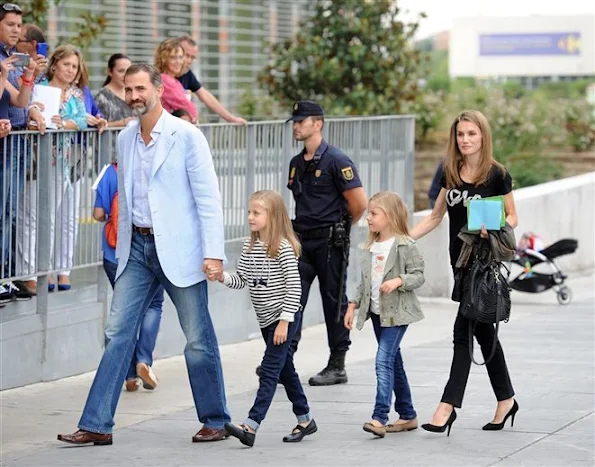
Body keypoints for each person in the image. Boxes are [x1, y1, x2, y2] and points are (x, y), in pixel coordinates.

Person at [57, 63, 230, 446]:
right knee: (117, 334)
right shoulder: (125, 138)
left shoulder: (186, 136)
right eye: (128, 89)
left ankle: (216, 418)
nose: (134, 96)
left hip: (180, 249)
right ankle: (97, 424)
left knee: (197, 336)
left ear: (156, 89)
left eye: (140, 89)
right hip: (135, 248)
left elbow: (208, 199)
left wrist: (213, 253)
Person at [410, 110, 519, 436]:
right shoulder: (451, 171)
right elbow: (435, 217)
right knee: (485, 335)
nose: (466, 139)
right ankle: (507, 399)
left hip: (483, 265)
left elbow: (512, 216)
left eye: (472, 133)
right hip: (459, 262)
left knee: (462, 334)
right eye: (461, 134)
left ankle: (447, 406)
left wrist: (495, 227)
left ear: (483, 136)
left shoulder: (497, 174)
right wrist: (402, 238)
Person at [212, 190, 317, 447]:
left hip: (284, 318)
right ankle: (305, 419)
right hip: (266, 320)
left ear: (273, 216)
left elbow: (295, 289)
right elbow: (242, 280)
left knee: (269, 371)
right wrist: (221, 276)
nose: (250, 217)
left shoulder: (283, 248)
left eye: (256, 213)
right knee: (286, 370)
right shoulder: (251, 248)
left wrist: (284, 322)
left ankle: (251, 425)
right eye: (249, 212)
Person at [281, 100, 367, 386]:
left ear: (317, 124)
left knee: (334, 303)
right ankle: (284, 361)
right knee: (293, 300)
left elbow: (359, 204)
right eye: (294, 121)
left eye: (301, 121)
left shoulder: (337, 161)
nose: (296, 126)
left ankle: (337, 364)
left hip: (330, 243)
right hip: (301, 243)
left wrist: (339, 229)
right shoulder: (296, 164)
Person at [344, 191, 424, 438]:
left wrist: (399, 280)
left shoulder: (405, 245)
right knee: (393, 362)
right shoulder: (370, 247)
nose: (368, 218)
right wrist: (352, 305)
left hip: (398, 313)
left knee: (382, 360)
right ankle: (408, 414)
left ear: (389, 216)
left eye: (374, 213)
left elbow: (419, 275)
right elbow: (364, 281)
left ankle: (379, 417)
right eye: (368, 213)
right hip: (378, 313)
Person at [92, 161, 165, 392]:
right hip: (151, 251)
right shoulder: (151, 169)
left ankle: (130, 375)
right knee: (153, 304)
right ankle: (144, 359)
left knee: (126, 311)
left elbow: (98, 214)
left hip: (114, 255)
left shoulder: (110, 172)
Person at [25, 45, 88, 292]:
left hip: (65, 163)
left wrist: (67, 124)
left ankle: (62, 271)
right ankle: (42, 271)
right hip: (37, 158)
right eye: (67, 65)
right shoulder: (40, 88)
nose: (71, 70)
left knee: (64, 218)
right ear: (55, 65)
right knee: (40, 217)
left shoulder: (75, 95)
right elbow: (29, 112)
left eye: (74, 66)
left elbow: (82, 120)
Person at [177, 35, 246, 124]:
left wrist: (231, 119)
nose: (189, 61)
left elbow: (206, 96)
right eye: (187, 55)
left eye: (193, 58)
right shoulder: (162, 76)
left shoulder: (187, 74)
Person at [154, 38, 197, 123]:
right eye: (173, 57)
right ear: (164, 59)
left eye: (180, 57)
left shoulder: (175, 81)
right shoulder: (163, 80)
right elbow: (183, 104)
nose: (178, 62)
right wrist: (194, 117)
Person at [94, 53, 135, 128]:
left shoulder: (134, 94)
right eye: (121, 71)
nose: (125, 75)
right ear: (109, 71)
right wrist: (122, 123)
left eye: (129, 71)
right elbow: (96, 125)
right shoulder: (102, 97)